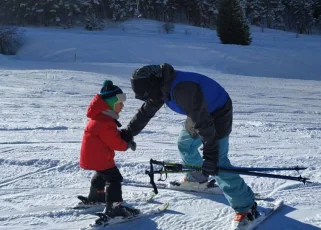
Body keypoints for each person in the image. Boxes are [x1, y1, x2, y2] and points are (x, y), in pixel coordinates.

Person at [118, 64, 258, 229]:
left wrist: (210, 157)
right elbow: (146, 112)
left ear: (153, 84)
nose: (145, 99)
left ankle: (247, 206)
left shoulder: (182, 90)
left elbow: (204, 125)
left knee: (218, 163)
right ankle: (197, 179)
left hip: (218, 111)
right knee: (185, 144)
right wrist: (128, 133)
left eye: (145, 95)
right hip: (198, 111)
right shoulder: (160, 87)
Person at [79, 80, 139, 218]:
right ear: (110, 104)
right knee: (114, 178)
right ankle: (114, 208)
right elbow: (115, 144)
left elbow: (108, 136)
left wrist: (120, 134)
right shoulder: (105, 122)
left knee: (101, 175)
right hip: (101, 158)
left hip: (93, 158)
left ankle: (96, 196)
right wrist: (127, 144)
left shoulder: (100, 118)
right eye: (120, 103)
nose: (122, 106)